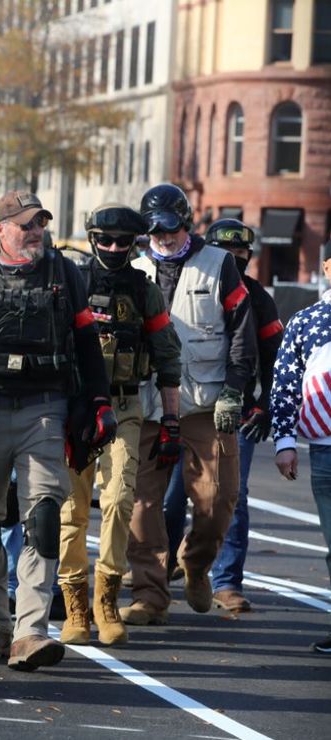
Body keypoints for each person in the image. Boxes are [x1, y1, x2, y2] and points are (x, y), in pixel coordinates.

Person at [0, 190, 113, 671]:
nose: (35, 232)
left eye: (40, 224)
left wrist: (98, 401)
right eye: (25, 224)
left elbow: (88, 342)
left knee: (44, 515)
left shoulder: (65, 274)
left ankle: (31, 631)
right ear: (1, 229)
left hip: (43, 408)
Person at [123, 184, 256, 625]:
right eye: (155, 231)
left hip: (206, 403)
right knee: (142, 503)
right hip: (148, 406)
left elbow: (242, 333)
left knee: (219, 502)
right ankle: (149, 593)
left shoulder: (219, 265)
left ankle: (196, 564)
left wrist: (236, 391)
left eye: (171, 229)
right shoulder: (132, 266)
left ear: (187, 224)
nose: (163, 238)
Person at [56, 204, 182, 646]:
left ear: (136, 244)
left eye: (123, 242)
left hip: (126, 406)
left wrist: (170, 420)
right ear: (91, 238)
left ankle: (106, 600)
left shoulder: (144, 291)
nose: (113, 248)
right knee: (71, 511)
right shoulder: (71, 282)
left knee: (120, 500)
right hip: (76, 410)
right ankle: (75, 606)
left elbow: (167, 357)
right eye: (105, 240)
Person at [162, 219, 283, 613]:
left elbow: (273, 359)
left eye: (241, 255)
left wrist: (265, 407)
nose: (233, 260)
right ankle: (162, 570)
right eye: (225, 254)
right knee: (171, 498)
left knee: (232, 498)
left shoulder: (259, 299)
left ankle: (227, 581)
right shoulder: (183, 284)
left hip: (237, 413)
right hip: (185, 406)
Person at [270, 243, 331, 654]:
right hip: (324, 451)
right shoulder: (307, 321)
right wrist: (285, 441)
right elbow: (285, 384)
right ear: (327, 266)